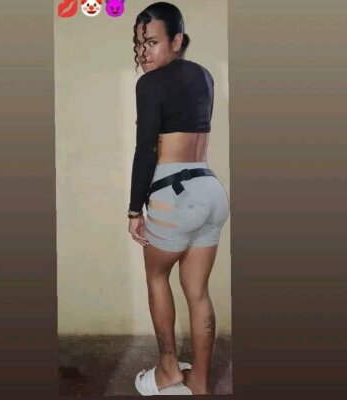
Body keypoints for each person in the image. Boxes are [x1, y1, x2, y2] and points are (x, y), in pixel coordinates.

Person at [127, 2, 229, 396]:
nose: (143, 52)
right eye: (139, 44)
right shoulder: (204, 76)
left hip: (173, 194)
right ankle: (199, 383)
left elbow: (145, 152)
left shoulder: (150, 84)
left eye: (152, 42)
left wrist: (134, 209)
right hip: (210, 190)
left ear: (177, 41)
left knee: (156, 276)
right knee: (198, 291)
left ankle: (169, 370)